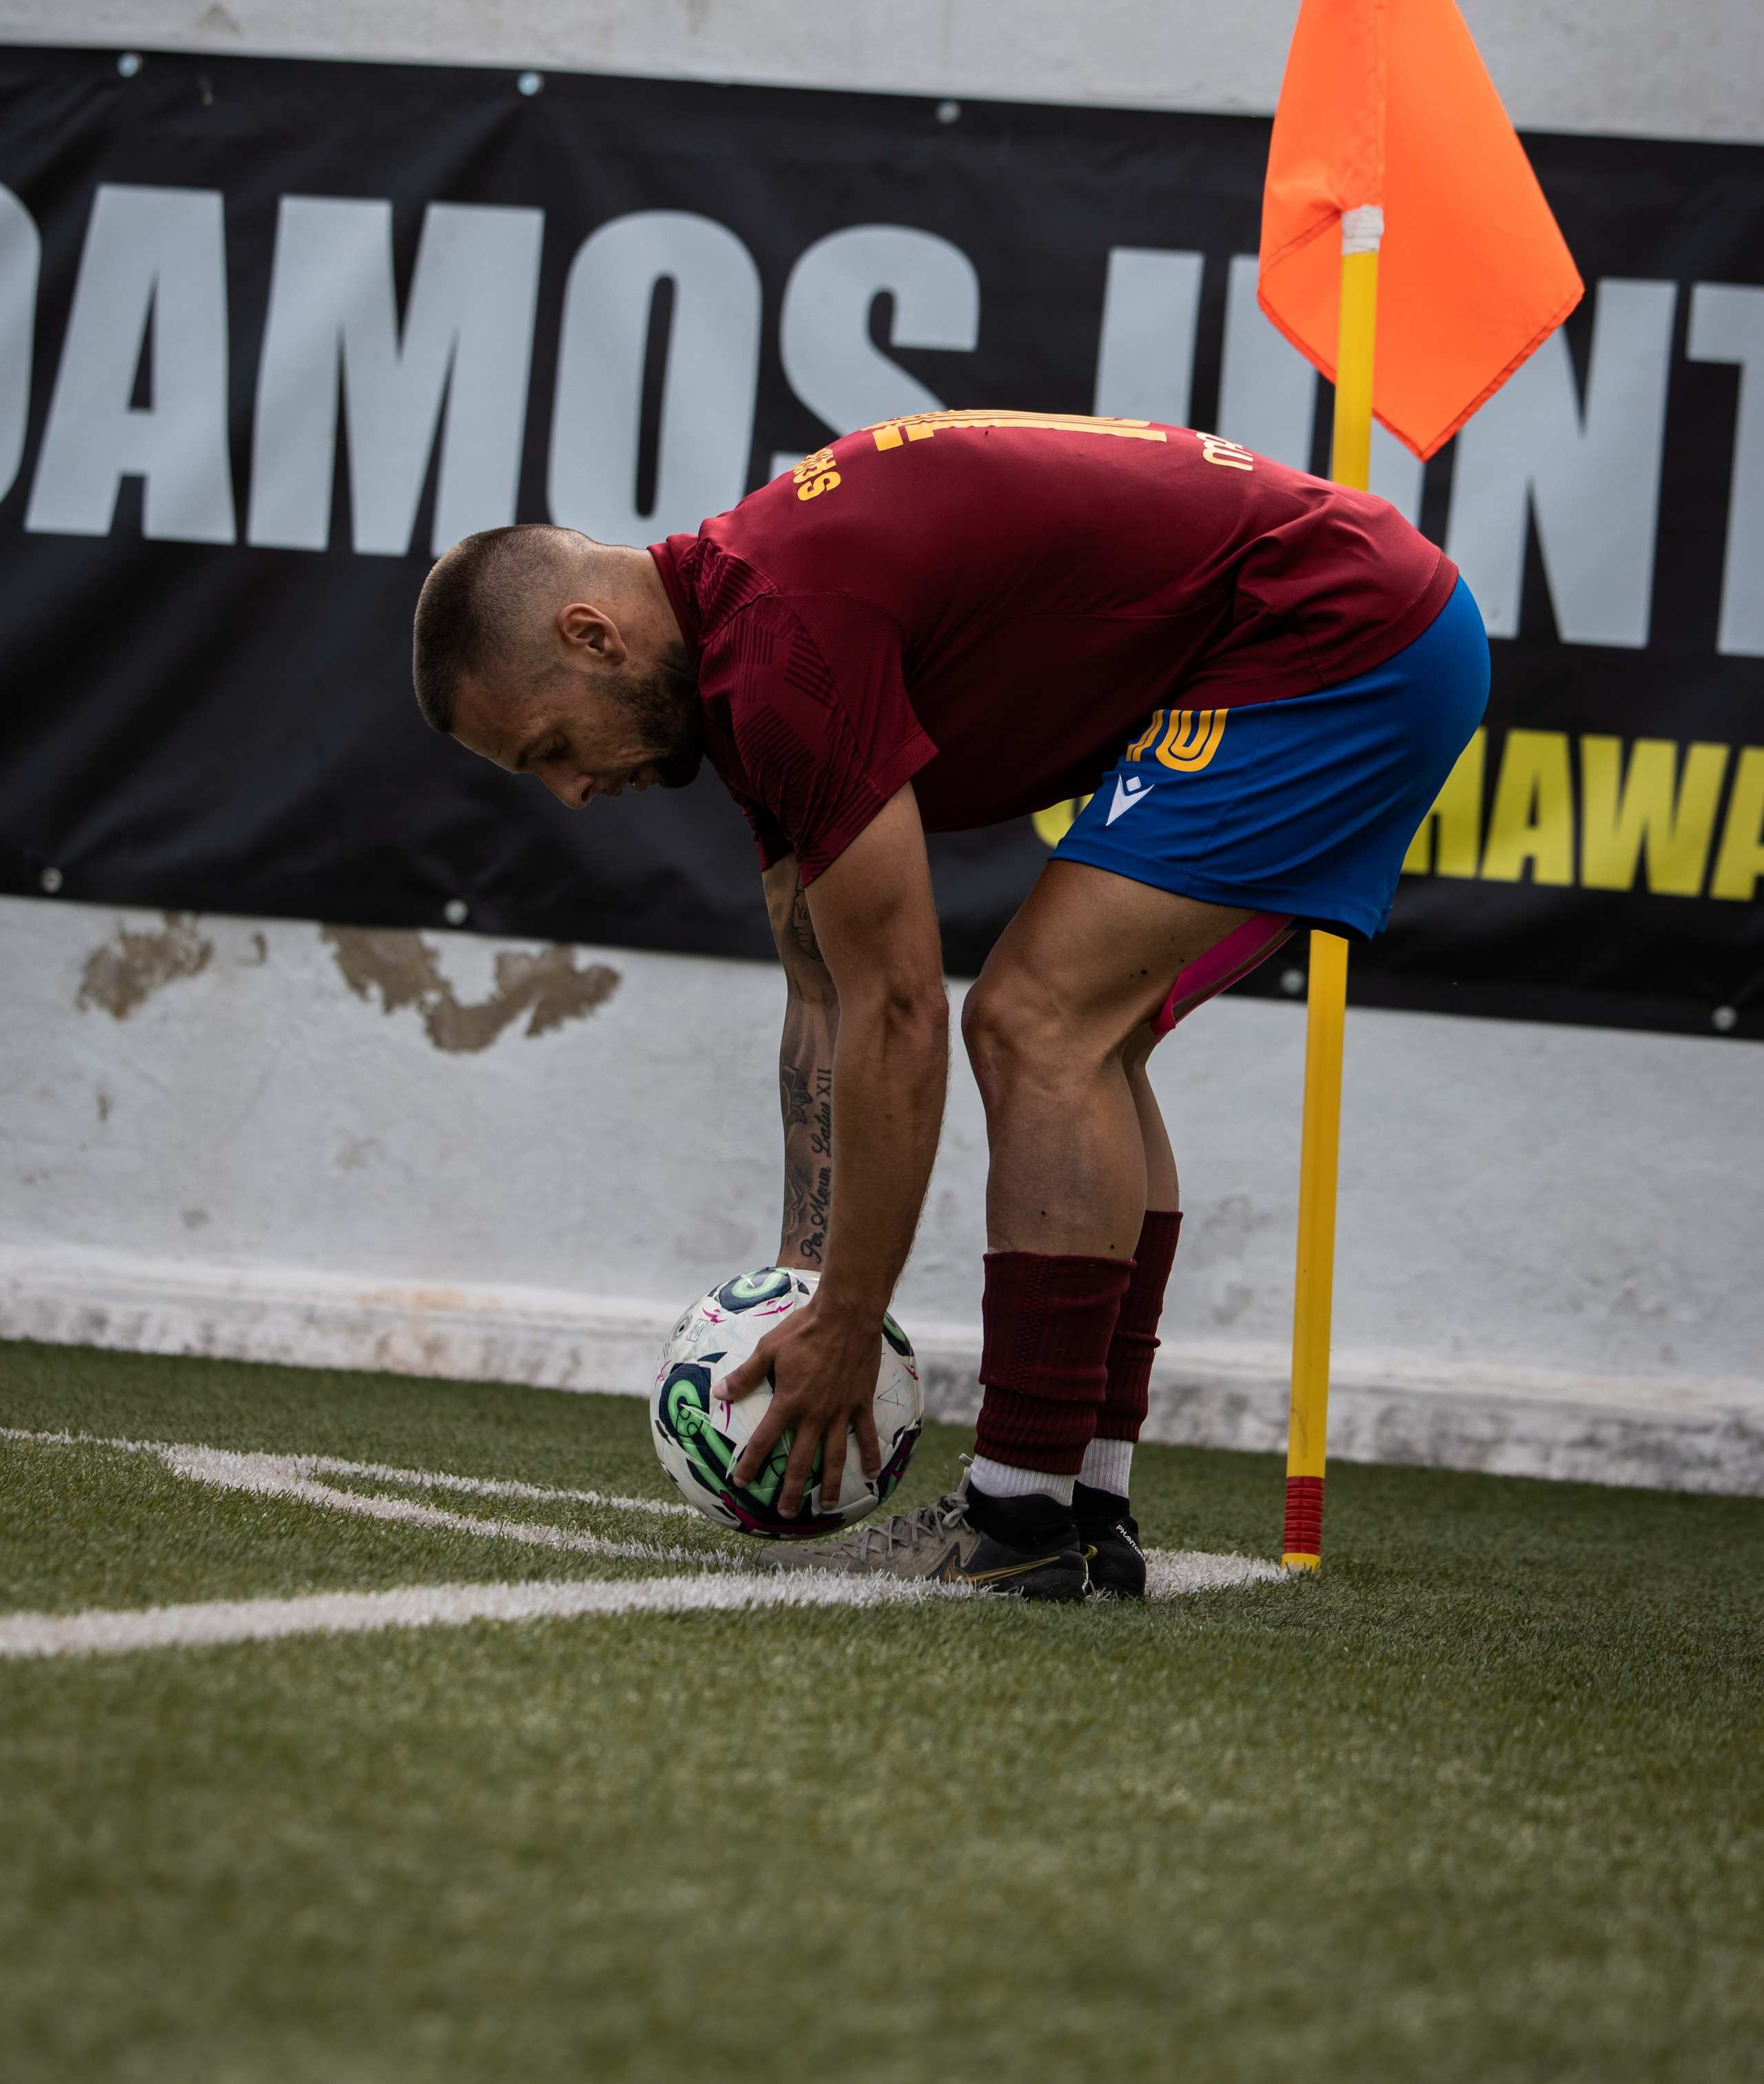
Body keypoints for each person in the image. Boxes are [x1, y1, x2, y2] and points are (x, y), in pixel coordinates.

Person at [411, 409, 1488, 1598]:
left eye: (550, 746)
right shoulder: (739, 647)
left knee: (1031, 1024)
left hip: (1342, 636)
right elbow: (819, 992)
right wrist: (806, 1286)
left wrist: (852, 1323)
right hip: (1354, 625)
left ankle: (1019, 1523)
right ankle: (1082, 1512)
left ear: (592, 634)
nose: (570, 792)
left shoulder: (779, 650)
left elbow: (900, 1011)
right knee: (1092, 1040)